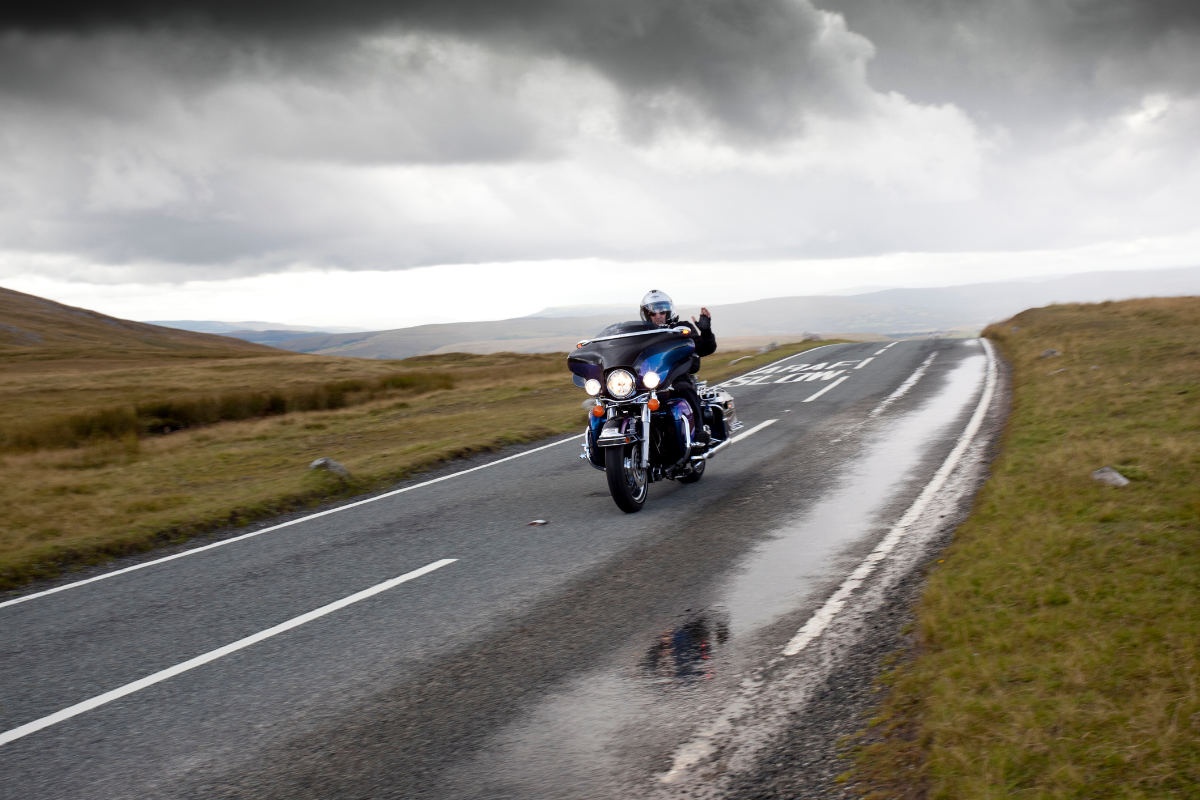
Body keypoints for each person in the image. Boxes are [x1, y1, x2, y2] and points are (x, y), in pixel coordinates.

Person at [639, 289, 716, 446]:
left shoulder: (681, 328)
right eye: (653, 312)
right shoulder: (641, 333)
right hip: (649, 379)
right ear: (647, 315)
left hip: (676, 376)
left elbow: (704, 348)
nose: (658, 315)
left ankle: (699, 433)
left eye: (662, 310)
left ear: (668, 311)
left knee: (684, 388)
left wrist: (706, 331)